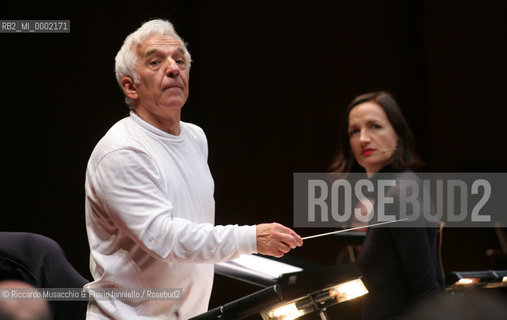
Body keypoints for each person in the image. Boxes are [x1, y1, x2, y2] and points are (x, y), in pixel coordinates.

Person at [84, 19, 303, 320]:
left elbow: (195, 235)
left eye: (179, 60)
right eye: (156, 61)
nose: (173, 68)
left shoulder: (196, 137)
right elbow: (165, 239)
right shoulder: (122, 151)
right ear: (130, 86)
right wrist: (251, 239)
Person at [328, 91, 443, 319]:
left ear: (397, 134)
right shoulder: (394, 189)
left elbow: (426, 290)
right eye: (354, 131)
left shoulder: (399, 193)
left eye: (375, 127)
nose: (363, 139)